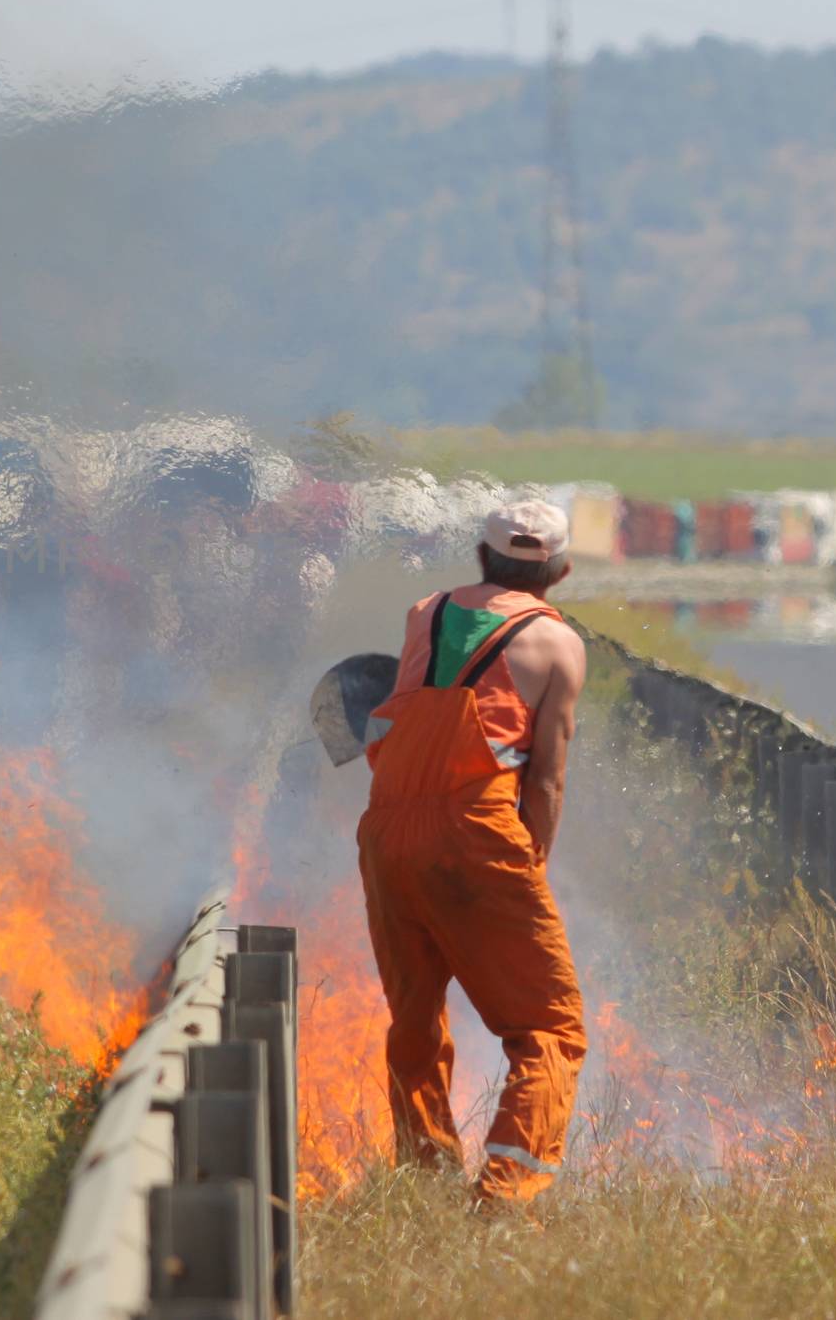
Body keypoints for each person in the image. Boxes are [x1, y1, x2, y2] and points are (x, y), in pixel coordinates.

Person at [359, 500, 588, 1207]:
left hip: (388, 830)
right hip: (478, 832)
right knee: (551, 1025)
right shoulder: (556, 645)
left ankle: (422, 1181)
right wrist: (530, 862)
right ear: (561, 569)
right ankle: (506, 1199)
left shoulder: (423, 610)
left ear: (481, 557)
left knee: (417, 1020)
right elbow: (545, 777)